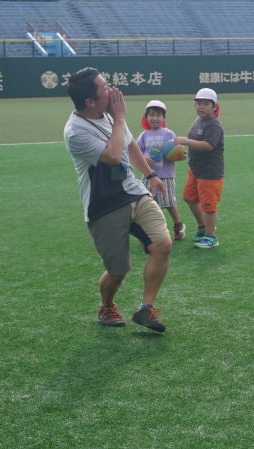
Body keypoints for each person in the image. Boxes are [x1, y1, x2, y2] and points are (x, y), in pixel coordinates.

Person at [63, 67, 171, 333]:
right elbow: (112, 156)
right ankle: (106, 305)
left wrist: (150, 175)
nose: (110, 89)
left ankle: (145, 309)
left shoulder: (110, 114)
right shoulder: (75, 132)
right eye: (103, 87)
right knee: (118, 270)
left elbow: (130, 144)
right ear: (90, 101)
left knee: (163, 245)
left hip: (133, 191)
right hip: (104, 205)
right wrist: (120, 119)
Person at [180, 88, 225, 249]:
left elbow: (208, 145)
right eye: (199, 103)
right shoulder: (198, 120)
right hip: (195, 169)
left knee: (209, 205)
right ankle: (202, 227)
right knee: (189, 198)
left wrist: (185, 141)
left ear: (214, 106)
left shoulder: (214, 124)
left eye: (205, 103)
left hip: (210, 172)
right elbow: (194, 142)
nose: (201, 106)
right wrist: (182, 152)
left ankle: (211, 237)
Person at [137, 99, 187, 241]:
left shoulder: (169, 134)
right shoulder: (143, 135)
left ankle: (178, 226)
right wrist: (143, 159)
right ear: (146, 117)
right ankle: (150, 230)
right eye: (151, 115)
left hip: (166, 175)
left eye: (158, 115)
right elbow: (137, 153)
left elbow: (179, 151)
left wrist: (181, 156)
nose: (155, 118)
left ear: (164, 117)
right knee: (147, 203)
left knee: (169, 202)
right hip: (148, 175)